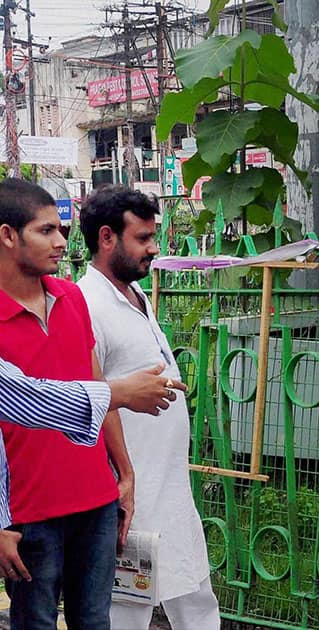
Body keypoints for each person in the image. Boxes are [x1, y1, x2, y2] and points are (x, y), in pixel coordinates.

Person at [78, 185, 221, 630]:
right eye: (143, 238)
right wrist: (123, 475)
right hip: (131, 489)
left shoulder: (134, 296)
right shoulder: (88, 304)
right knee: (128, 607)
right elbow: (93, 393)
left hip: (170, 482)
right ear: (107, 238)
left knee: (195, 591)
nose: (154, 249)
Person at [0, 178, 134, 629]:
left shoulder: (71, 297)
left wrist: (124, 471)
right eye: (46, 231)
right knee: (34, 623)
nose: (61, 243)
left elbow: (95, 384)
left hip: (94, 500)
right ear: (7, 235)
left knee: (95, 621)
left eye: (62, 229)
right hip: (28, 512)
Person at [0, 357, 185, 582]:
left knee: (94, 614)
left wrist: (125, 474)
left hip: (94, 500)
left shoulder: (77, 320)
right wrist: (123, 392)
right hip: (34, 506)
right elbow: (28, 398)